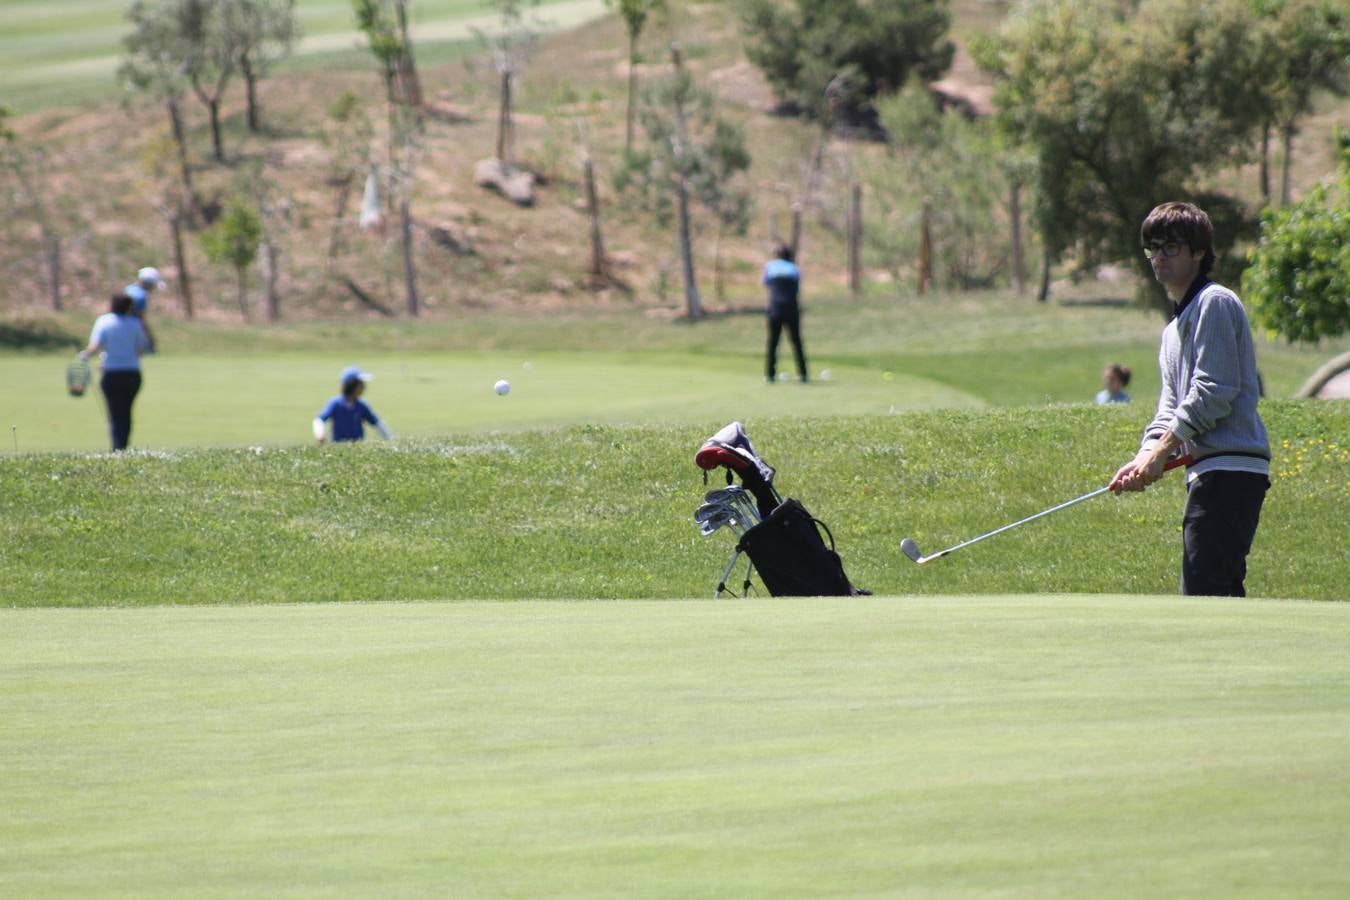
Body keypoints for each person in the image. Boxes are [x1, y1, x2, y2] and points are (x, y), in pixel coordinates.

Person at [1109, 201, 1270, 597]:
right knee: (1210, 592)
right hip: (1208, 471)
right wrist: (1145, 454)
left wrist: (1162, 451)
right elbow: (1169, 406)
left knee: (1206, 595)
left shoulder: (1215, 302)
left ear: (1198, 252)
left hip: (1231, 468)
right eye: (1153, 248)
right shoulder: (1173, 328)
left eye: (1171, 247)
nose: (1159, 256)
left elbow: (1214, 391)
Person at [80, 292, 152, 451]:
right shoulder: (135, 323)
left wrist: (84, 355)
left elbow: (95, 346)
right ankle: (122, 447)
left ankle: (117, 448)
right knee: (125, 412)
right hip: (132, 374)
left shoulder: (104, 321)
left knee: (115, 413)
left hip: (111, 374)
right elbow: (141, 349)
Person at [762, 244, 808, 383]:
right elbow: (797, 288)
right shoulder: (794, 269)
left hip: (775, 309)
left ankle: (770, 374)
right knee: (796, 341)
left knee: (773, 342)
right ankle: (803, 374)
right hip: (791, 309)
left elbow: (765, 283)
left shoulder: (770, 266)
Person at [313, 366, 393, 443]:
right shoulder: (335, 403)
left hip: (358, 445)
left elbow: (377, 423)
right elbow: (320, 420)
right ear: (351, 385)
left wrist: (391, 439)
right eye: (360, 383)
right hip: (338, 445)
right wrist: (320, 435)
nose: (364, 387)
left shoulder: (362, 405)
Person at [123, 266, 161, 353]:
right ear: (148, 283)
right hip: (130, 327)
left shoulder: (129, 289)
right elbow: (140, 319)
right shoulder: (141, 296)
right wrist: (148, 337)